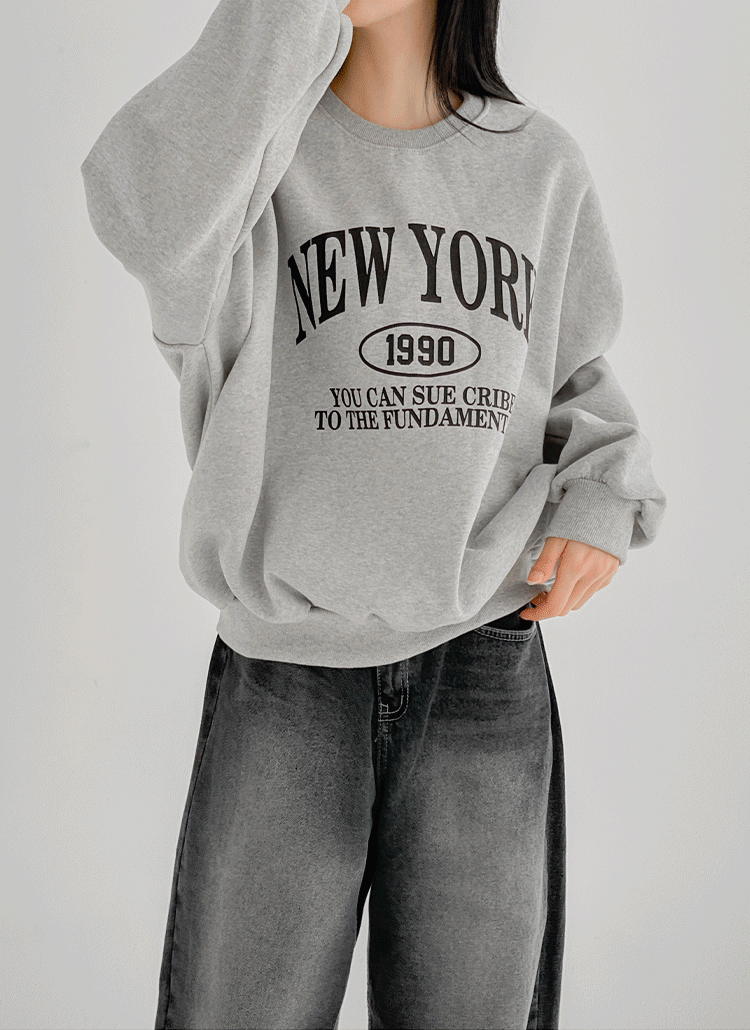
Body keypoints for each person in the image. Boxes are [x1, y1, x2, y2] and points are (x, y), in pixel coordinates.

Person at [80, 1, 667, 1027]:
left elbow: (575, 378)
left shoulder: (540, 165)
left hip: (484, 663)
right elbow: (143, 211)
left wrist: (604, 496)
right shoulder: (245, 165)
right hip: (288, 672)